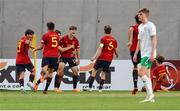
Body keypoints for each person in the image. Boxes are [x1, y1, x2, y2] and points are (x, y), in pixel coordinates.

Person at [33, 22, 73, 94]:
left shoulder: (45, 35)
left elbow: (41, 47)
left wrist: (36, 49)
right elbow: (59, 48)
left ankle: (41, 79)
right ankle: (45, 90)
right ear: (54, 28)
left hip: (47, 55)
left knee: (45, 71)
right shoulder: (57, 37)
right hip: (54, 57)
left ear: (47, 27)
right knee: (50, 74)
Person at [133, 8, 157, 103]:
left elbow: (154, 40)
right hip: (143, 54)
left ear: (145, 15)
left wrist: (152, 54)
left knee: (140, 73)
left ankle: (150, 94)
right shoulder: (140, 27)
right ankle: (150, 98)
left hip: (149, 54)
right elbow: (139, 41)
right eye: (138, 14)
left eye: (140, 14)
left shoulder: (150, 25)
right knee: (147, 75)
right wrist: (135, 53)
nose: (138, 15)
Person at [87, 25, 118, 92]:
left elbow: (100, 48)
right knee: (103, 73)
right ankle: (100, 88)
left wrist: (94, 57)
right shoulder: (114, 40)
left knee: (94, 70)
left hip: (102, 58)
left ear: (104, 31)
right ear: (110, 31)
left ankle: (90, 87)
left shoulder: (103, 39)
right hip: (109, 59)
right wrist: (116, 54)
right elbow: (115, 49)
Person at [54, 25, 81, 92]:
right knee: (60, 71)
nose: (74, 31)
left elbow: (77, 50)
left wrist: (78, 59)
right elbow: (59, 49)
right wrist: (57, 57)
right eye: (72, 30)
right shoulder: (63, 38)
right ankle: (56, 88)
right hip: (63, 56)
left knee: (75, 71)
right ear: (69, 30)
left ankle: (74, 88)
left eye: (75, 30)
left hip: (71, 57)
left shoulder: (76, 40)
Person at [16, 29, 36, 93]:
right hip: (25, 59)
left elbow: (24, 44)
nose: (32, 36)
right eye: (31, 35)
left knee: (22, 74)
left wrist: (30, 47)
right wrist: (29, 40)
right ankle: (30, 82)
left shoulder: (21, 39)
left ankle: (21, 87)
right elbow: (26, 42)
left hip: (18, 59)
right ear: (27, 35)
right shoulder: (26, 40)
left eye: (32, 35)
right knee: (33, 70)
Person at [127, 14, 141, 95]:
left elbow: (130, 33)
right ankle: (148, 86)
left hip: (134, 49)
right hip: (143, 50)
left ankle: (135, 86)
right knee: (145, 68)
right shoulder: (144, 27)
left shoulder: (132, 27)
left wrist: (130, 41)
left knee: (135, 67)